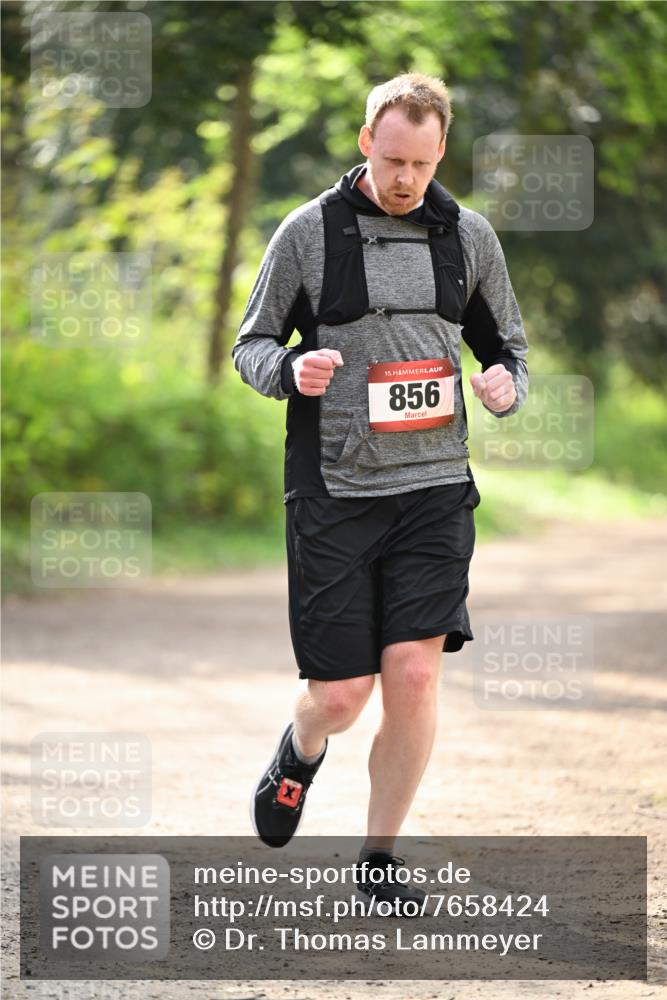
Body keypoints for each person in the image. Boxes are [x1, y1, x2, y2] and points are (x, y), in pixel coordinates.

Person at [232, 73, 528, 912]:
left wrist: (507, 381)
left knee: (413, 678)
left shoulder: (467, 237)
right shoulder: (307, 234)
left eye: (422, 166)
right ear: (367, 140)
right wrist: (290, 369)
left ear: (440, 156)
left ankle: (378, 857)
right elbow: (250, 344)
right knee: (341, 695)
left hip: (434, 491)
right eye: (393, 159)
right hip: (333, 489)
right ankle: (301, 746)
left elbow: (506, 345)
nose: (405, 180)